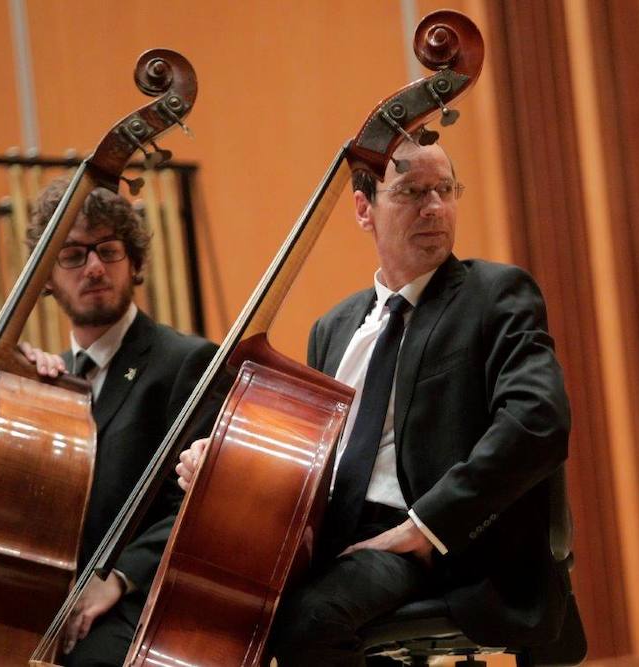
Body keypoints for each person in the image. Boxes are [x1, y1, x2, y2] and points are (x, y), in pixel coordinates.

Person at [177, 139, 570, 665]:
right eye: (410, 192)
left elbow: (538, 421)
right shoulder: (334, 329)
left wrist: (424, 526)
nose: (433, 207)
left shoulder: (495, 295)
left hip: (436, 541)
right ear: (364, 209)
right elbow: (314, 459)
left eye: (444, 190)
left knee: (307, 620)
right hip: (337, 537)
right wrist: (228, 462)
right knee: (223, 603)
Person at [0, 178, 217, 666]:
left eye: (108, 250)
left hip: (139, 598)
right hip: (51, 595)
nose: (93, 267)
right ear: (47, 280)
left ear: (134, 263)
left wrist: (117, 579)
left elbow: (200, 504)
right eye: (72, 254)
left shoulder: (185, 361)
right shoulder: (43, 382)